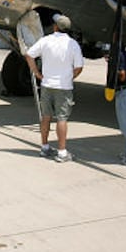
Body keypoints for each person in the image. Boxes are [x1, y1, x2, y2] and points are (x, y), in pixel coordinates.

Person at [25, 14, 84, 162]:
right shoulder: (73, 44)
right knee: (62, 118)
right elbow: (79, 67)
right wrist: (70, 77)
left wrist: (36, 72)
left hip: (46, 85)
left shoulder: (45, 41)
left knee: (46, 117)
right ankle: (62, 152)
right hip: (64, 87)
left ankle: (45, 147)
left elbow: (29, 55)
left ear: (55, 26)